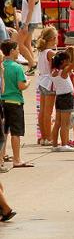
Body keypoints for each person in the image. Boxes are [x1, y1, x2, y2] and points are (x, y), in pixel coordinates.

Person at [1, 41, 28, 169]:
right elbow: (21, 86)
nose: (18, 51)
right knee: (15, 132)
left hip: (2, 101)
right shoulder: (17, 67)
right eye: (17, 49)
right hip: (15, 101)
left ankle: (2, 156)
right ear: (12, 51)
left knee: (3, 131)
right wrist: (27, 82)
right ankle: (17, 159)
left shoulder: (2, 65)